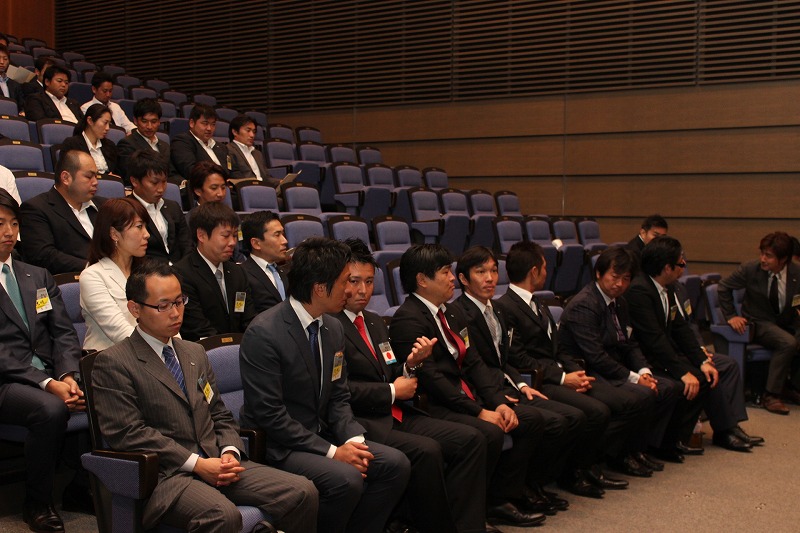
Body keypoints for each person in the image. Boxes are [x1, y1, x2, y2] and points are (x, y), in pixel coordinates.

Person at [91, 261, 318, 532]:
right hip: (169, 476)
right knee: (223, 515)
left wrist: (230, 451)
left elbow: (219, 412)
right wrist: (197, 464)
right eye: (163, 306)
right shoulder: (114, 362)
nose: (176, 313)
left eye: (180, 302)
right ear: (135, 309)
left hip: (217, 461)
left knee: (302, 491)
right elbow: (129, 433)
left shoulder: (194, 352)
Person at [239, 237, 411, 533]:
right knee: (346, 478)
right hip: (281, 445)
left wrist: (353, 441)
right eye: (345, 282)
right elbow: (270, 415)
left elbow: (338, 396)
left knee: (395, 464)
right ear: (320, 288)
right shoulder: (264, 333)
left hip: (324, 434)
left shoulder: (332, 327)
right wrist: (333, 452)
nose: (350, 290)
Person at [336, 238, 489, 533]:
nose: (363, 290)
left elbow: (392, 371)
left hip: (396, 412)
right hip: (363, 420)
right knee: (427, 451)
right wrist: (393, 391)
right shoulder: (332, 325)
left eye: (369, 281)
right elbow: (341, 390)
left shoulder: (375, 322)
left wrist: (410, 365)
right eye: (354, 282)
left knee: (471, 439)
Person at [390, 244, 547, 529]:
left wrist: (498, 402)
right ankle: (466, 517)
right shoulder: (408, 318)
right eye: (445, 272)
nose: (453, 278)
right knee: (487, 431)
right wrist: (478, 411)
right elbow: (432, 379)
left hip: (466, 395)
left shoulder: (451, 312)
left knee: (526, 418)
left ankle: (495, 501)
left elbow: (474, 363)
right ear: (422, 280)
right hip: (436, 404)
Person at [454, 246, 596, 508]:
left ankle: (532, 483)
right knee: (543, 421)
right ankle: (512, 493)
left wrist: (521, 383)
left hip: (509, 385)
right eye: (481, 272)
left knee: (570, 418)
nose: (490, 278)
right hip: (485, 392)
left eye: (494, 271)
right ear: (463, 278)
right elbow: (471, 365)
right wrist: (497, 397)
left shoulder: (497, 309)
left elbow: (504, 358)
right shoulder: (459, 314)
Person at [498, 241, 652, 484]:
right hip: (539, 380)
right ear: (534, 271)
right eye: (545, 267)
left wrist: (576, 372)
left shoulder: (539, 302)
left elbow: (558, 348)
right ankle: (575, 471)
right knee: (594, 412)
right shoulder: (506, 307)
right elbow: (518, 358)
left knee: (606, 407)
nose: (547, 272)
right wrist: (562, 378)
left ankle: (585, 467)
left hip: (560, 373)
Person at [626, 236, 762, 452]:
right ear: (667, 268)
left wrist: (701, 360)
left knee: (710, 370)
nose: (684, 265)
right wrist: (683, 371)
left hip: (667, 351)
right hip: (647, 359)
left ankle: (725, 429)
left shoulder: (667, 287)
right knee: (699, 377)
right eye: (680, 262)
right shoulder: (639, 291)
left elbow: (680, 328)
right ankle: (680, 438)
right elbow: (654, 340)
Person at [0, 188, 85, 533]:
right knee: (50, 409)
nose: (9, 232)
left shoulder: (36, 275)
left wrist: (67, 375)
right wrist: (48, 384)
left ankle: (82, 488)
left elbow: (63, 332)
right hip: (6, 381)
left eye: (13, 223)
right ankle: (37, 502)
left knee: (111, 387)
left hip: (51, 374)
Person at [558, 246, 683, 465]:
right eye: (615, 277)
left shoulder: (620, 302)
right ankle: (613, 455)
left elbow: (630, 343)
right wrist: (634, 378)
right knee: (641, 395)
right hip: (590, 371)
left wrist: (644, 371)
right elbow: (596, 356)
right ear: (599, 273)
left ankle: (640, 448)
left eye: (626, 279)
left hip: (615, 367)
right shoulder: (585, 304)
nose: (620, 284)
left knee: (669, 388)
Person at [718, 231, 800, 414]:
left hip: (788, 320)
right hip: (759, 321)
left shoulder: (797, 272)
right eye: (762, 253)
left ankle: (791, 386)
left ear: (783, 259)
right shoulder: (751, 269)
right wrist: (731, 316)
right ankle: (771, 395)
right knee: (788, 343)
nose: (763, 259)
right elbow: (723, 287)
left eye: (768, 256)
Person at [173, 202, 255, 340]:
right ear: (201, 235)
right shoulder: (182, 274)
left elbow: (248, 318)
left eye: (235, 235)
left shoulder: (238, 272)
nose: (232, 242)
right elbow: (197, 328)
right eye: (225, 236)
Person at [20, 150, 107, 274]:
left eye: (96, 176)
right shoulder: (36, 208)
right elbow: (43, 256)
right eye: (89, 176)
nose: (95, 182)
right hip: (70, 279)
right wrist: (94, 268)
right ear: (66, 178)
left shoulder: (104, 205)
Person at [79, 198, 149, 351]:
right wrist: (161, 352)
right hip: (110, 358)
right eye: (139, 227)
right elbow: (119, 331)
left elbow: (166, 318)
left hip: (152, 354)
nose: (147, 234)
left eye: (145, 227)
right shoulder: (92, 276)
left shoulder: (147, 272)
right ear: (114, 234)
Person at [128, 150, 191, 264]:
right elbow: (131, 255)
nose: (161, 189)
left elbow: (186, 244)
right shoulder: (126, 211)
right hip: (148, 271)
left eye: (164, 182)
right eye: (154, 183)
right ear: (135, 181)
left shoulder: (173, 207)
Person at [116, 98, 178, 186]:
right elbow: (129, 176)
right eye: (144, 121)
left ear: (159, 122)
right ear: (135, 121)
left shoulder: (165, 146)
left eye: (154, 122)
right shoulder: (127, 144)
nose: (149, 126)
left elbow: (171, 173)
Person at [240, 210, 289, 313]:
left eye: (283, 234)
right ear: (256, 243)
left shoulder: (286, 272)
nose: (285, 241)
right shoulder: (242, 275)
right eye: (277, 235)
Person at [171, 104, 227, 181]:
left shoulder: (221, 147)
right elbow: (191, 171)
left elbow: (229, 171)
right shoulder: (182, 142)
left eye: (213, 124)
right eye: (205, 123)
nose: (209, 128)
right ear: (192, 123)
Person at [60, 103, 119, 176]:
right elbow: (67, 173)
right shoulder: (72, 144)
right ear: (90, 120)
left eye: (109, 124)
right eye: (105, 123)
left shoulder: (110, 146)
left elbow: (117, 172)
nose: (107, 128)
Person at [226, 114, 281, 186]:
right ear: (235, 132)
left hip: (263, 188)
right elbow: (235, 176)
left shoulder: (257, 153)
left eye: (254, 131)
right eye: (248, 130)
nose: (252, 135)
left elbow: (266, 178)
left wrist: (281, 182)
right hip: (246, 188)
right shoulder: (228, 150)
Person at [0, 45, 25, 113]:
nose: (2, 62)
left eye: (5, 59)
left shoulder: (14, 84)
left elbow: (21, 106)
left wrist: (22, 112)